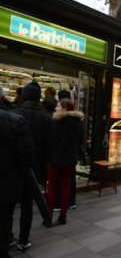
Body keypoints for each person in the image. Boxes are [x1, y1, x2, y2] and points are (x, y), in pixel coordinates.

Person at [11, 81, 54, 252]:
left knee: (9, 204)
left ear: (24, 96)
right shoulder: (46, 118)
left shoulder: (14, 113)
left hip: (13, 168)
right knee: (27, 205)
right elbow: (50, 147)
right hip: (34, 169)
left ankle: (7, 237)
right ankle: (23, 239)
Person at [0, 86, 34, 258]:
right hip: (7, 183)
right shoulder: (15, 120)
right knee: (5, 219)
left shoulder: (17, 115)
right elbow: (26, 158)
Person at [46, 98, 84, 225]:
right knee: (65, 187)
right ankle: (63, 215)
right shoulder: (78, 122)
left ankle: (49, 215)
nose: (56, 108)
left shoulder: (55, 122)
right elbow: (80, 141)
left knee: (51, 187)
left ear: (64, 108)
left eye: (58, 106)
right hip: (70, 160)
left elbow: (50, 142)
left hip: (55, 160)